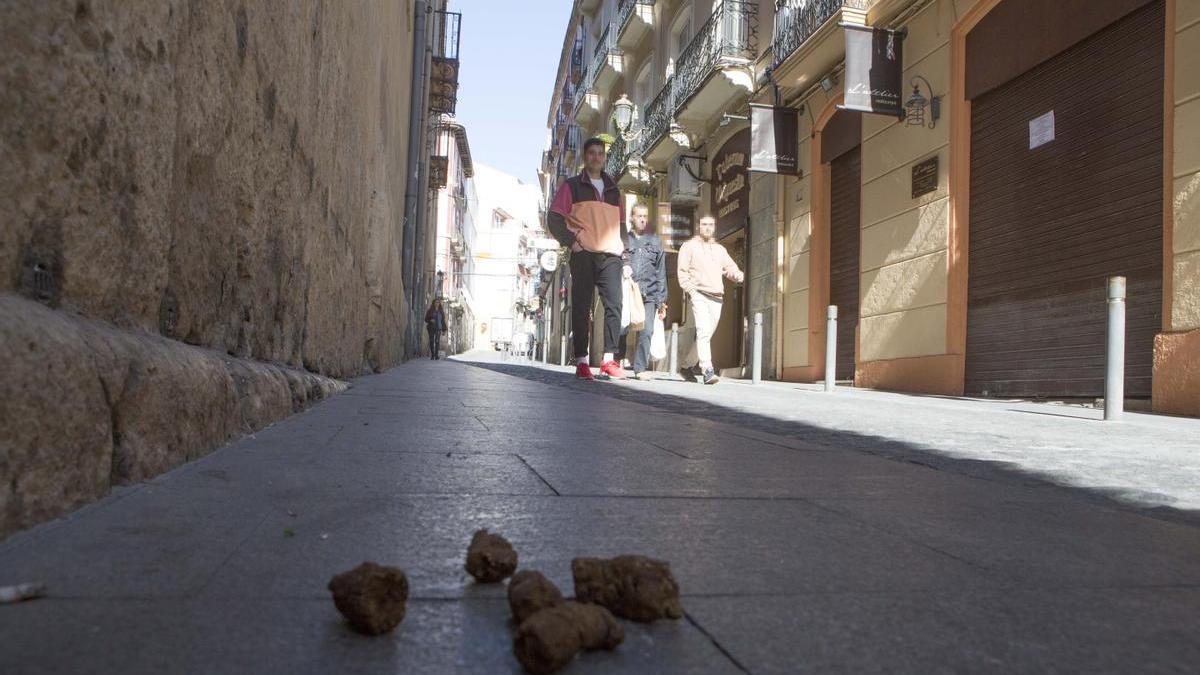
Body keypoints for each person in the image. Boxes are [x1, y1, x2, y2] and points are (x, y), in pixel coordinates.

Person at [546, 137, 626, 381]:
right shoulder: (572, 186)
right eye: (592, 153)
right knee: (581, 307)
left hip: (611, 254)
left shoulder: (614, 189)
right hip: (584, 253)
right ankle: (581, 361)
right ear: (585, 156)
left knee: (615, 305)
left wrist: (625, 250)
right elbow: (554, 218)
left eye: (600, 153)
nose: (596, 157)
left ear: (604, 157)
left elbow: (621, 224)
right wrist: (572, 242)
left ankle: (609, 360)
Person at [677, 215, 744, 385]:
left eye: (711, 225)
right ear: (699, 226)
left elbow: (729, 267)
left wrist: (737, 275)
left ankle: (686, 367)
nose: (707, 227)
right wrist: (691, 291)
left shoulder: (719, 249)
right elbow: (682, 272)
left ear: (714, 227)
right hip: (698, 294)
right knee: (704, 331)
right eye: (704, 224)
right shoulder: (689, 246)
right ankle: (707, 369)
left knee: (706, 334)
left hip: (717, 297)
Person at [617, 203, 667, 380]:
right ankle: (616, 363)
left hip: (649, 293)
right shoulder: (624, 240)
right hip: (628, 291)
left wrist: (662, 299)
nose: (643, 219)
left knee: (646, 331)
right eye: (639, 216)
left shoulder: (655, 242)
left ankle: (640, 368)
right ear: (632, 217)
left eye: (645, 216)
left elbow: (661, 271)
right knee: (622, 327)